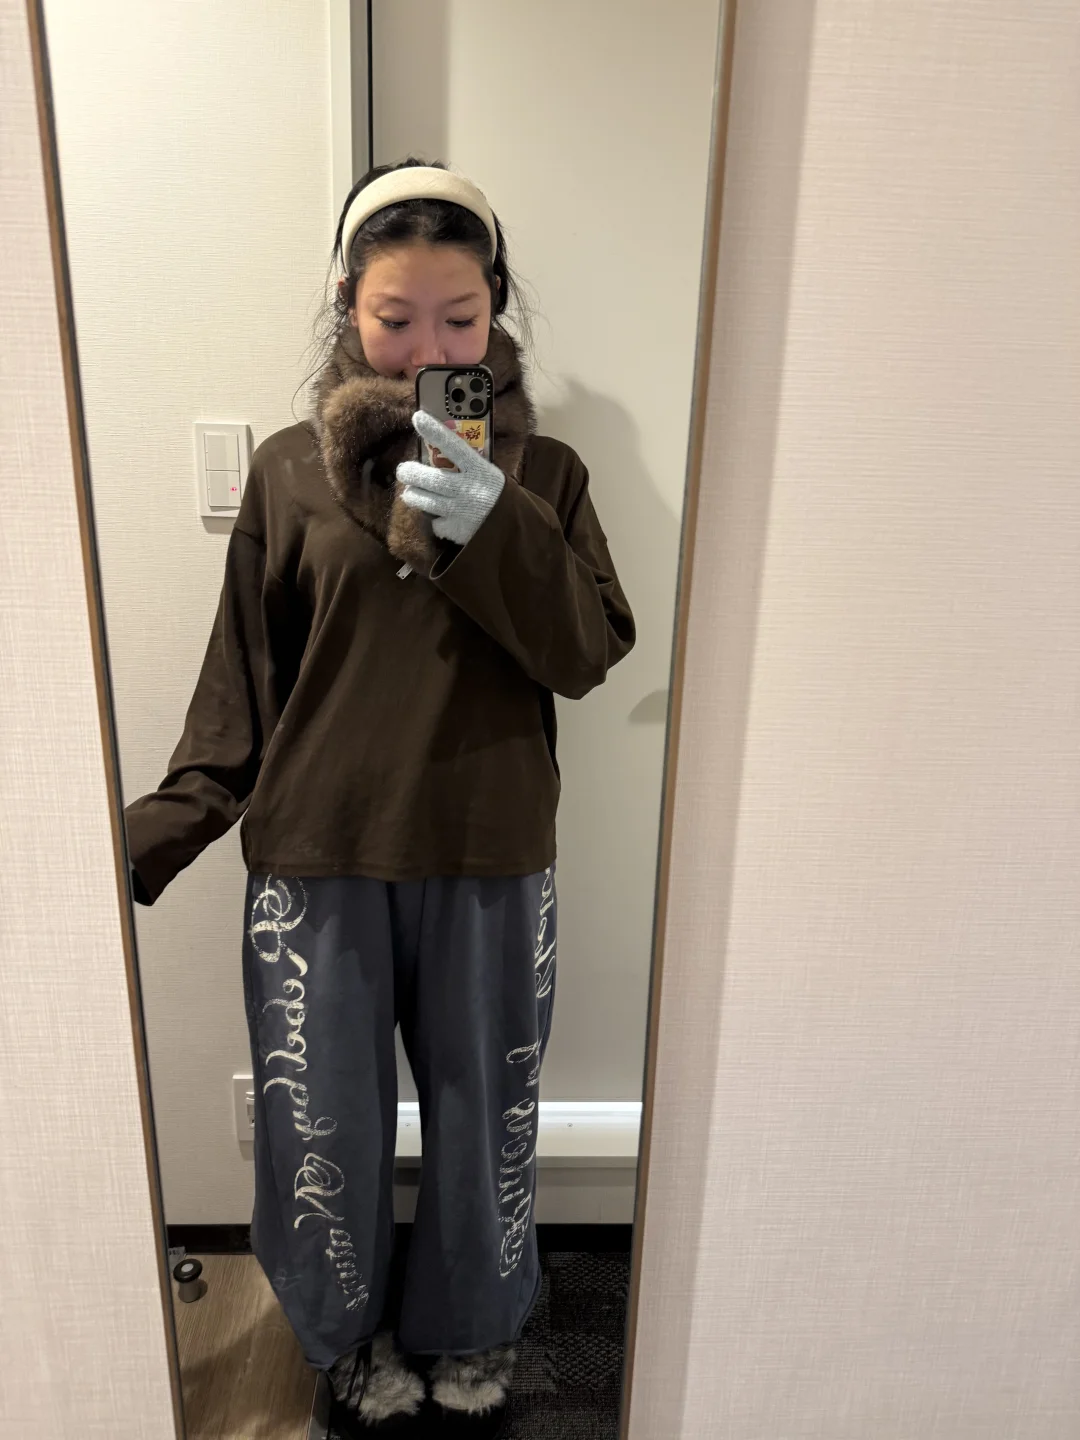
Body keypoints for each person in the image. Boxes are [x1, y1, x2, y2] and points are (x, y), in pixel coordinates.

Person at [125, 159, 635, 1438]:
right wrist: (140, 843)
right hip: (319, 855)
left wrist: (496, 521)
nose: (428, 351)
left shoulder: (550, 473)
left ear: (497, 307)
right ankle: (344, 1340)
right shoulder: (291, 473)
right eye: (394, 319)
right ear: (348, 307)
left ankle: (471, 1326)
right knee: (323, 1127)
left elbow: (586, 651)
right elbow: (242, 688)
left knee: (484, 1114)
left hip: (489, 848)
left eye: (459, 320)